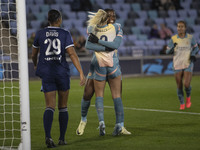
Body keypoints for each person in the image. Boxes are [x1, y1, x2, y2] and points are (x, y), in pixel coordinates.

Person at [31, 9, 85, 148]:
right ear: (59, 20)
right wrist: (80, 72)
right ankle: (62, 139)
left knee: (49, 106)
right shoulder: (64, 33)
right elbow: (72, 53)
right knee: (63, 107)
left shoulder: (40, 33)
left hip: (47, 73)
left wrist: (36, 65)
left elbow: (33, 54)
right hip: (61, 72)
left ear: (48, 20)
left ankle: (48, 137)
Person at [76, 9, 131, 136]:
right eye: (110, 15)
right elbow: (89, 45)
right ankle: (83, 120)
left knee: (116, 96)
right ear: (105, 17)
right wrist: (107, 47)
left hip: (110, 64)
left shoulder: (116, 27)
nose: (112, 17)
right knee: (87, 94)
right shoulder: (101, 28)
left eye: (114, 15)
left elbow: (112, 44)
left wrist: (101, 44)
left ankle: (119, 126)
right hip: (98, 65)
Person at [166, 20, 199, 110]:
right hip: (177, 63)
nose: (180, 28)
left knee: (187, 84)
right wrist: (173, 47)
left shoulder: (190, 38)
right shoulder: (173, 39)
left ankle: (188, 98)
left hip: (188, 62)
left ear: (185, 28)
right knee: (179, 85)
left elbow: (196, 48)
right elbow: (167, 51)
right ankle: (182, 102)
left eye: (182, 27)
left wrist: (192, 55)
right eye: (178, 27)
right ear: (177, 28)